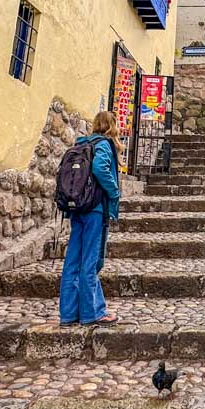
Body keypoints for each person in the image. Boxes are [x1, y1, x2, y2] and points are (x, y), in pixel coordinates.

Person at [58, 111, 121, 326]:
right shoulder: (104, 144)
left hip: (78, 208)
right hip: (95, 209)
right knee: (91, 261)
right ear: (112, 126)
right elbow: (100, 168)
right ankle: (92, 312)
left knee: (73, 260)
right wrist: (114, 192)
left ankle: (68, 313)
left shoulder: (81, 144)